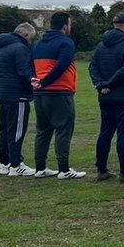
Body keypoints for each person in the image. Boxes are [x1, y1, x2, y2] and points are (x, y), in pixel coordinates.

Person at [90, 11, 124, 183]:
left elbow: (93, 67)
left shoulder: (101, 45)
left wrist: (101, 85)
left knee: (105, 132)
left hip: (105, 97)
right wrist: (109, 84)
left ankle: (101, 169)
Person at [33, 11, 85, 179]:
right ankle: (64, 169)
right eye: (69, 24)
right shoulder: (65, 42)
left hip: (40, 94)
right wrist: (46, 81)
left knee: (43, 131)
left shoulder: (38, 43)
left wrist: (38, 82)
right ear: (64, 26)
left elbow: (30, 64)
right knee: (63, 129)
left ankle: (40, 167)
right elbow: (62, 65)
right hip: (59, 91)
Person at [0, 22, 38, 176]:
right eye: (31, 38)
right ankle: (16, 163)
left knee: (5, 129)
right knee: (17, 130)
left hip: (3, 93)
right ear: (26, 35)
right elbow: (24, 69)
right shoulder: (20, 48)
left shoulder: (1, 48)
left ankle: (4, 163)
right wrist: (32, 79)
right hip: (17, 94)